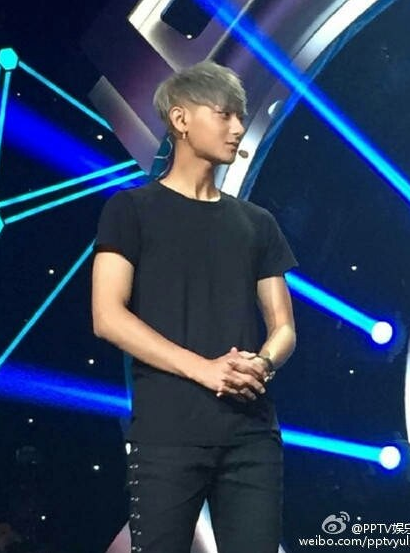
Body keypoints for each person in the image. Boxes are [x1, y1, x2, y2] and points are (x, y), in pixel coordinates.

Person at [92, 60, 298, 553]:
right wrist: (204, 369)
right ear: (181, 119)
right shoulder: (131, 210)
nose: (238, 127)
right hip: (167, 435)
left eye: (241, 116)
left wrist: (262, 362)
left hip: (251, 437)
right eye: (225, 114)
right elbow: (107, 316)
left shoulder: (257, 222)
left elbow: (284, 327)